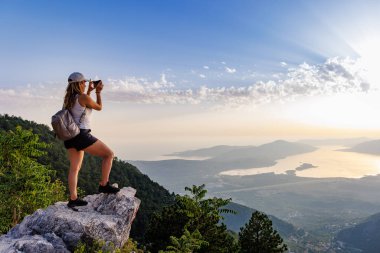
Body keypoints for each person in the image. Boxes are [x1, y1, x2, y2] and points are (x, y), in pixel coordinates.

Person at [63, 72, 120, 208]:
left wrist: (89, 91)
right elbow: (99, 107)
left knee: (74, 169)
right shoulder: (82, 97)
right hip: (82, 134)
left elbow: (83, 105)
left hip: (70, 136)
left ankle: (73, 198)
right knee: (109, 154)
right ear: (80, 83)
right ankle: (104, 185)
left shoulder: (69, 98)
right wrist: (98, 92)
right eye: (84, 82)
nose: (85, 84)